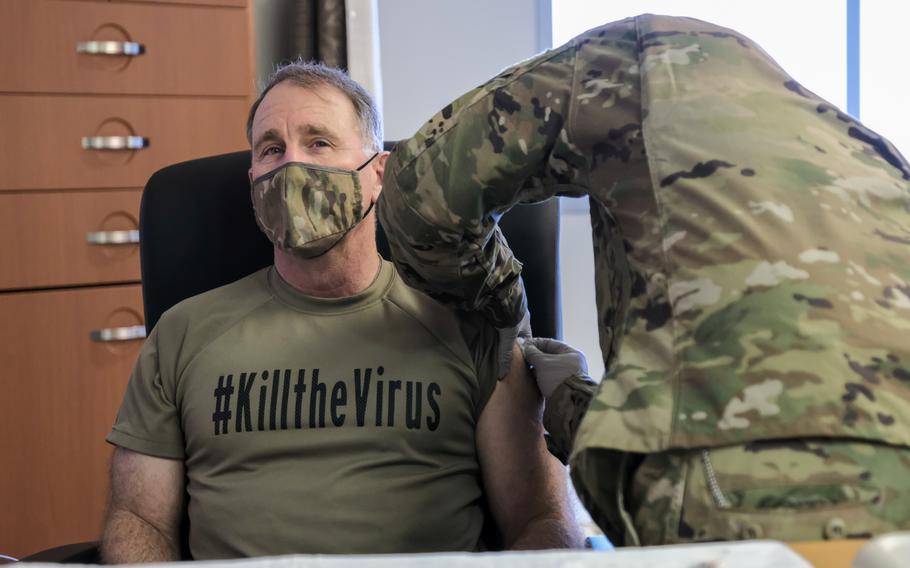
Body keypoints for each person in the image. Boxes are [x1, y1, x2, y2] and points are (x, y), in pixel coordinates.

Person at [377, 14, 910, 546]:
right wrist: (565, 394)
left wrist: (501, 314)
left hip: (737, 483)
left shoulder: (637, 55)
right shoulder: (874, 155)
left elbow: (415, 197)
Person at [100, 61, 582, 562]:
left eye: (319, 143)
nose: (291, 167)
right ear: (253, 182)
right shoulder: (181, 333)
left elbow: (540, 520)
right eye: (271, 149)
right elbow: (137, 518)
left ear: (379, 174)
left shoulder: (474, 326)